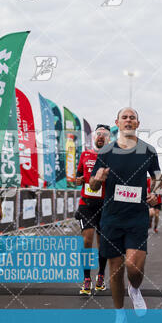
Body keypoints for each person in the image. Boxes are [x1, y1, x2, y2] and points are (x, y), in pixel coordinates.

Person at [89, 107, 161, 323]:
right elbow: (92, 185)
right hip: (111, 217)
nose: (128, 120)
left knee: (134, 267)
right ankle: (119, 313)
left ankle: (135, 289)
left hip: (137, 216)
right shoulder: (106, 152)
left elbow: (157, 177)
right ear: (117, 123)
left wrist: (155, 193)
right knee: (115, 268)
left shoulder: (148, 150)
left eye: (132, 118)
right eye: (124, 117)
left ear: (137, 124)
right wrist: (98, 178)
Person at [75, 124, 111, 295]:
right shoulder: (85, 154)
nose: (101, 137)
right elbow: (77, 177)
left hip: (105, 205)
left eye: (104, 134)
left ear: (109, 138)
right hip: (87, 204)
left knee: (103, 243)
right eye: (99, 134)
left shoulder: (112, 157)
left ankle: (101, 275)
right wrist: (78, 180)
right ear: (94, 137)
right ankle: (86, 278)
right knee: (87, 240)